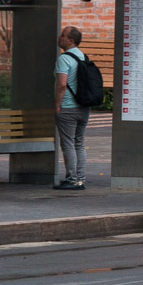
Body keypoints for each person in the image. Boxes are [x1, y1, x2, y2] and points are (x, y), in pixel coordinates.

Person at [54, 25, 89, 190]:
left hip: (68, 107)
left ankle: (72, 179)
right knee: (79, 143)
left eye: (62, 35)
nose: (59, 37)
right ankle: (80, 179)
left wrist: (57, 104)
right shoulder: (83, 57)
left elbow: (61, 84)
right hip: (83, 107)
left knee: (67, 143)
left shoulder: (64, 59)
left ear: (71, 40)